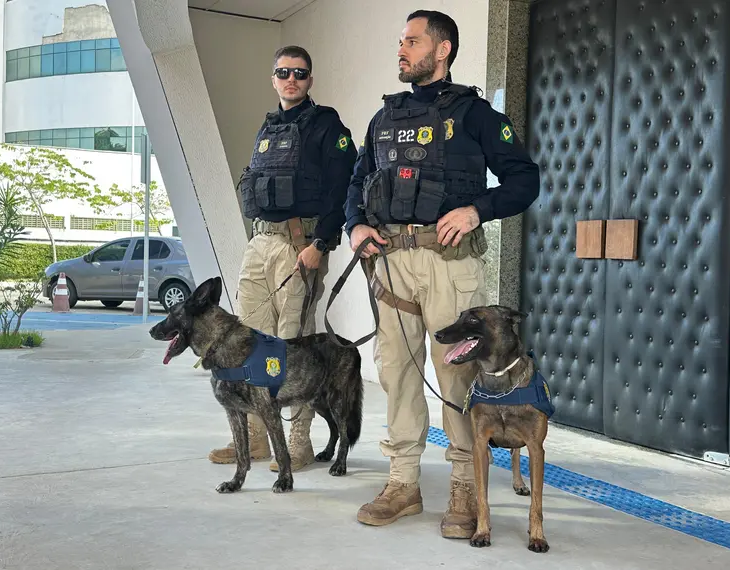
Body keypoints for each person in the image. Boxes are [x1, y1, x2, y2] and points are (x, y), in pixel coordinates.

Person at [344, 10, 540, 538]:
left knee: (455, 375)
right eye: (400, 42)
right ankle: (402, 483)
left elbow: (525, 179)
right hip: (390, 261)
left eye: (412, 41)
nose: (402, 50)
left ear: (443, 49)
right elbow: (358, 180)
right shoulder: (383, 119)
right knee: (396, 374)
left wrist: (477, 209)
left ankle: (464, 485)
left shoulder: (475, 114)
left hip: (450, 264)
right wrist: (355, 226)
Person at [209, 45, 358, 472]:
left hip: (300, 245)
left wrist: (321, 243)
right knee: (249, 342)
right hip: (259, 244)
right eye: (283, 72)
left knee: (293, 344)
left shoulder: (327, 125)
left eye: (300, 73)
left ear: (310, 79)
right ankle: (256, 438)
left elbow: (342, 189)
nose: (291, 79)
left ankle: (299, 441)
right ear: (273, 78)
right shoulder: (269, 126)